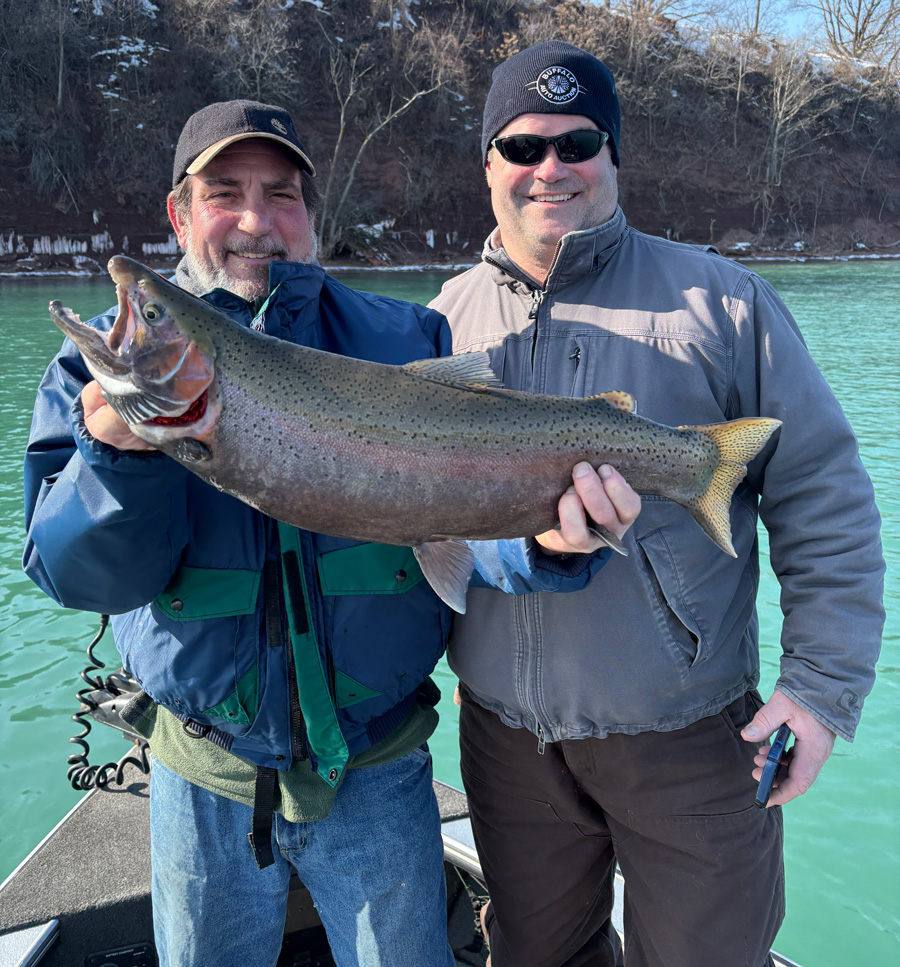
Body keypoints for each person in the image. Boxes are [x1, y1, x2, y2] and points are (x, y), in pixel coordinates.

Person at [22, 99, 640, 967]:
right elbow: (77, 575)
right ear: (179, 212)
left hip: (379, 767)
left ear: (310, 215)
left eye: (281, 194)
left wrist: (545, 544)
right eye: (223, 192)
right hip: (204, 775)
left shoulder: (403, 336)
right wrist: (113, 455)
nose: (254, 220)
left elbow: (457, 512)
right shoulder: (90, 382)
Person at [430, 41, 885, 967]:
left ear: (612, 153)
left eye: (577, 142)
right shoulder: (436, 323)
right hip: (504, 742)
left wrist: (819, 690)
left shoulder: (726, 303)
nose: (549, 168)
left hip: (691, 736)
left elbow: (826, 499)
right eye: (521, 148)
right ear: (488, 165)